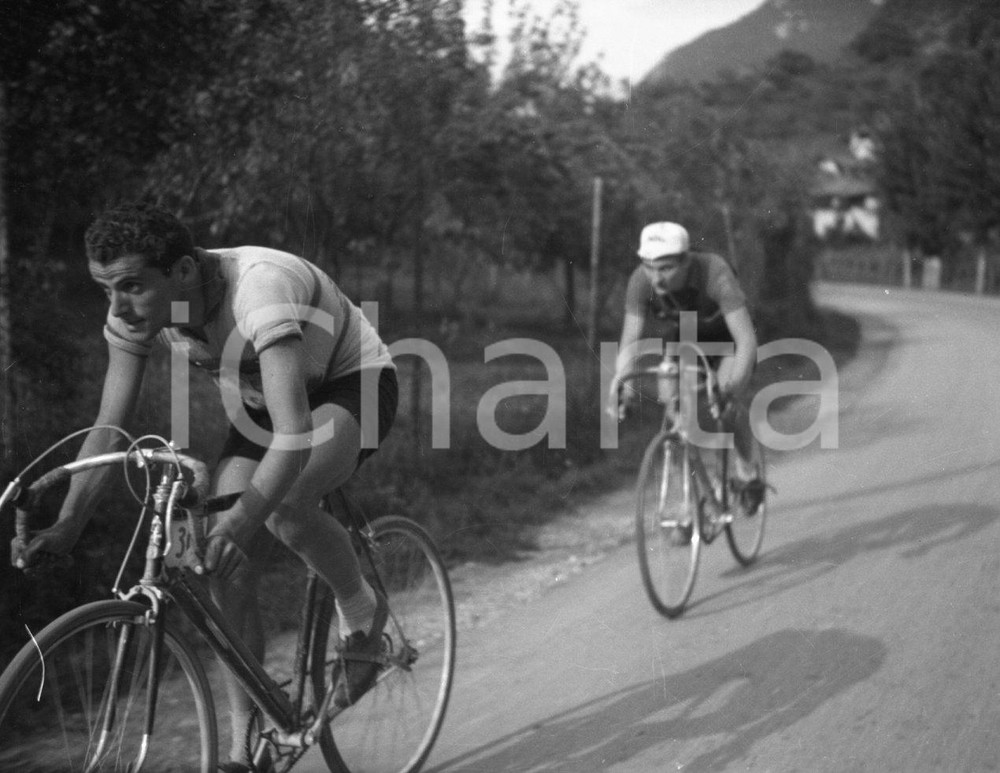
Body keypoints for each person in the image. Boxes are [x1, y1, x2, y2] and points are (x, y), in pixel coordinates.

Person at [11, 202, 398, 772]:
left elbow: (293, 436)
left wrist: (244, 518)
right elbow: (107, 425)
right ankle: (248, 735)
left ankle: (363, 617)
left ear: (185, 271)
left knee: (283, 507)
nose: (116, 306)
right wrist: (70, 522)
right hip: (270, 400)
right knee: (221, 564)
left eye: (132, 286)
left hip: (349, 383)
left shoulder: (258, 288)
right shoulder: (137, 313)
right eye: (105, 289)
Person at [607, 221, 760, 499]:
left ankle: (747, 471)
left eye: (666, 268)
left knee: (727, 405)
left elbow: (746, 341)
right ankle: (683, 497)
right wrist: (622, 386)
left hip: (726, 335)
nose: (656, 278)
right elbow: (630, 341)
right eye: (649, 267)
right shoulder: (640, 281)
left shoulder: (715, 272)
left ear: (686, 261)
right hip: (685, 334)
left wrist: (732, 386)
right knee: (672, 406)